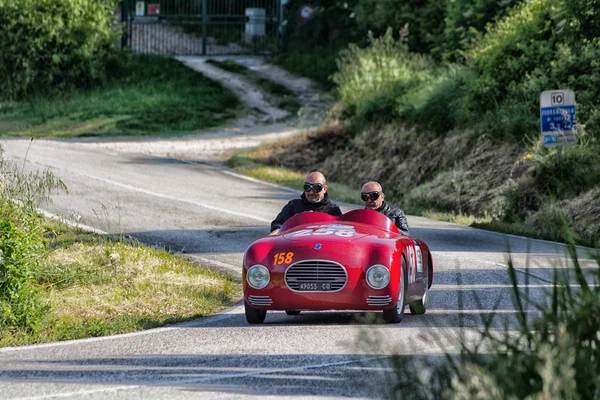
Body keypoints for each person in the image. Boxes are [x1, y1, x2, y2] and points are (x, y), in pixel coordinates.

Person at [270, 171, 342, 235]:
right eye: (307, 187)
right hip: (296, 246)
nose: (311, 192)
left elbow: (342, 232)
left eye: (317, 188)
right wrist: (274, 234)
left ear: (325, 189)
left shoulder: (333, 210)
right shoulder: (293, 206)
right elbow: (278, 224)